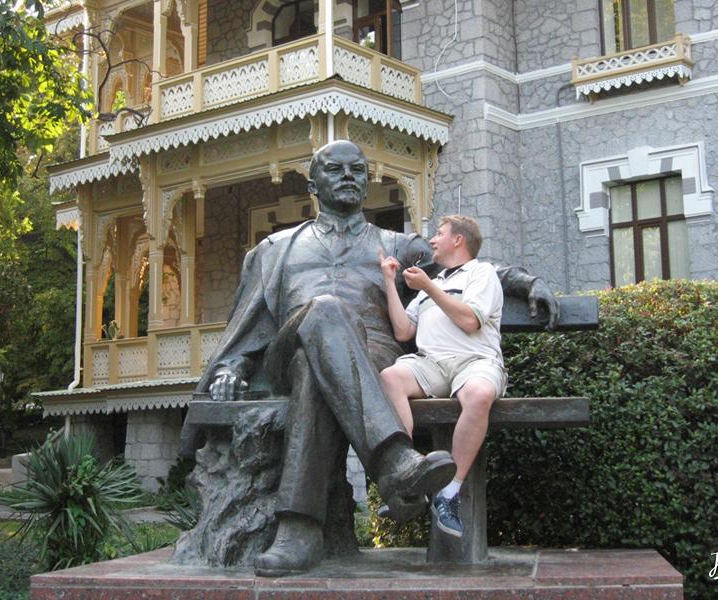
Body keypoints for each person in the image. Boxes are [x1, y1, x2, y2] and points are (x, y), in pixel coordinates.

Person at [195, 140, 556, 575]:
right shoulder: (276, 248)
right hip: (287, 355)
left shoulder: (395, 245)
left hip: (372, 358)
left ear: (367, 184)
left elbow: (467, 266)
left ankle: (299, 530)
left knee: (316, 367)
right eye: (335, 169)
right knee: (326, 311)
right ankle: (394, 463)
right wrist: (231, 367)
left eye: (358, 170)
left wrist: (527, 282)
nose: (349, 176)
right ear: (313, 185)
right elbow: (248, 325)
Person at [379, 215, 506, 538]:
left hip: (475, 361)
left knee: (479, 394)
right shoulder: (430, 286)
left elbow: (470, 321)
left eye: (439, 234)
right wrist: (389, 282)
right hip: (432, 364)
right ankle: (408, 474)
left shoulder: (481, 273)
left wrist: (429, 287)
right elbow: (403, 330)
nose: (432, 240)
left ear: (458, 240)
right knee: (391, 377)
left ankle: (449, 493)